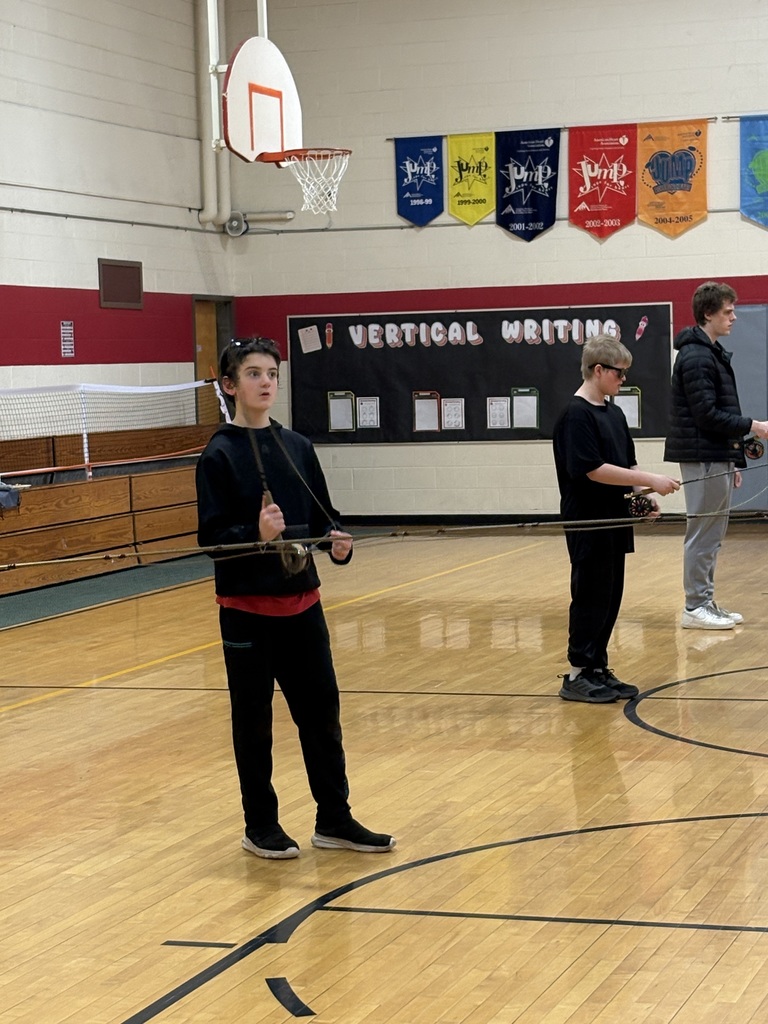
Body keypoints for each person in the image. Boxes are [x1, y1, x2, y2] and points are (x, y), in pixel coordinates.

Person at [196, 336, 395, 859]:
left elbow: (325, 518)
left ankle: (334, 819)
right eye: (254, 374)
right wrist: (255, 534)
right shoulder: (218, 455)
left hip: (304, 608)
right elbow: (211, 539)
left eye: (272, 374)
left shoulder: (298, 446)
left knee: (322, 716)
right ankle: (260, 825)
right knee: (254, 724)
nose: (266, 383)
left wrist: (337, 544)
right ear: (230, 385)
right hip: (247, 615)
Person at [553, 335, 680, 704]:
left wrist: (644, 496)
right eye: (619, 373)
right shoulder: (575, 415)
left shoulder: (614, 414)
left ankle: (596, 666)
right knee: (589, 595)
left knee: (609, 597)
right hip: (588, 521)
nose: (623, 380)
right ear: (598, 370)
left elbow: (628, 463)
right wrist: (652, 478)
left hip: (615, 520)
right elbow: (593, 469)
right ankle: (577, 673)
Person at [664, 282, 768, 629]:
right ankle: (694, 607)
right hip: (702, 457)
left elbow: (716, 413)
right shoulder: (695, 357)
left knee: (713, 535)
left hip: (715, 455)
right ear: (708, 313)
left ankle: (705, 601)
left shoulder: (710, 352)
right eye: (728, 311)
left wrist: (733, 458)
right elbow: (706, 415)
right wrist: (754, 426)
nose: (734, 317)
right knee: (703, 534)